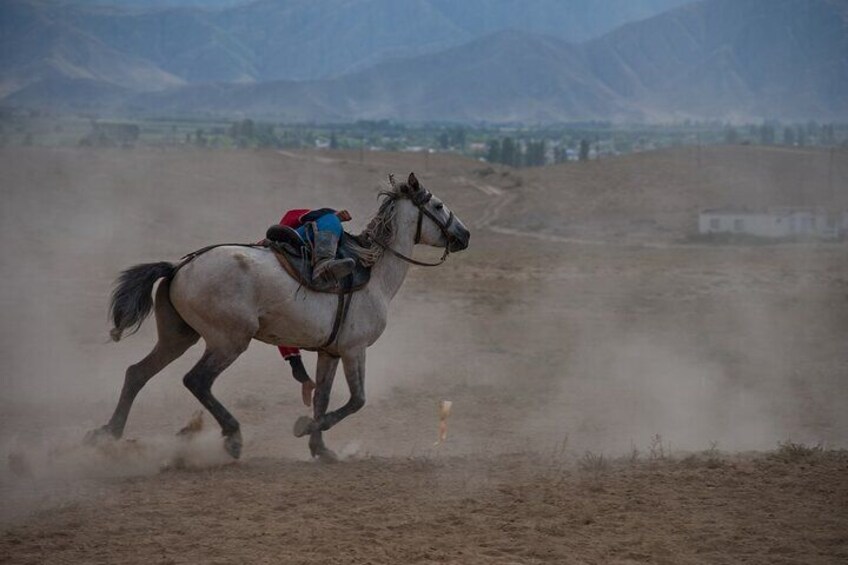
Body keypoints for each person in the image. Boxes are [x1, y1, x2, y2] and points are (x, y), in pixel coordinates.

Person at [273, 207, 353, 406]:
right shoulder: (315, 219)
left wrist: (300, 374)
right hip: (291, 239)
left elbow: (281, 334)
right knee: (329, 220)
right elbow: (293, 218)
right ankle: (323, 264)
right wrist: (334, 216)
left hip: (287, 244)